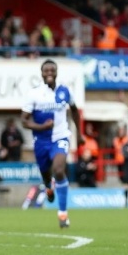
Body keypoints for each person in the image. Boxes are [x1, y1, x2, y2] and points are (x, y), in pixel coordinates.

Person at [21, 59, 84, 228]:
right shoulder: (34, 94)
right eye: (46, 70)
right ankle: (48, 187)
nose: (49, 73)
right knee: (46, 175)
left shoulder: (64, 91)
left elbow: (75, 111)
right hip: (41, 141)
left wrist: (80, 134)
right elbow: (24, 121)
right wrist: (42, 126)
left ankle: (63, 214)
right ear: (41, 74)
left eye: (52, 70)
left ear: (56, 72)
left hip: (60, 137)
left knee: (59, 170)